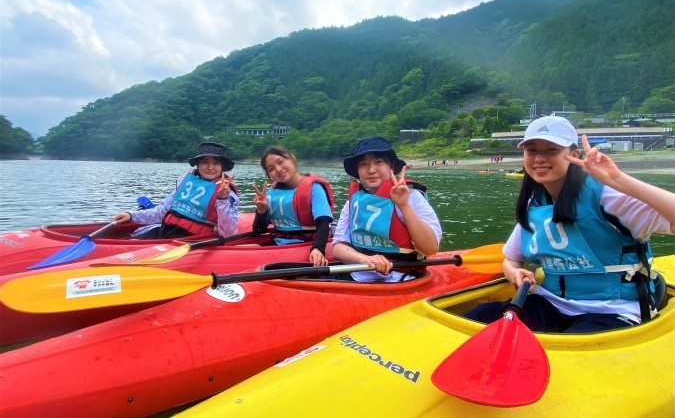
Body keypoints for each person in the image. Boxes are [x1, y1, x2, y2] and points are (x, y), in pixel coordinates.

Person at [465, 116, 675, 333]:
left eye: (551, 150)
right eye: (532, 150)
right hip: (551, 303)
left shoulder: (607, 195)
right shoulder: (535, 203)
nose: (539, 158)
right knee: (479, 316)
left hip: (612, 310)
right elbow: (511, 259)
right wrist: (514, 273)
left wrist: (617, 179)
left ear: (574, 155)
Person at [332, 136, 442, 282]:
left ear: (391, 166)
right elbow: (338, 247)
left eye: (379, 162)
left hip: (401, 279)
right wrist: (366, 259)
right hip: (357, 275)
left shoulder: (411, 197)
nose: (371, 170)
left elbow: (430, 248)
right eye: (364, 164)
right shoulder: (353, 202)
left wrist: (403, 205)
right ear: (358, 171)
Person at [112, 142, 239, 238]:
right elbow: (161, 212)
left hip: (193, 241)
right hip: (166, 232)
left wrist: (222, 199)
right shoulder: (187, 183)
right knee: (130, 239)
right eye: (205, 162)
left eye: (216, 163)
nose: (210, 167)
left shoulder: (227, 193)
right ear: (198, 165)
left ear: (222, 167)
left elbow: (227, 233)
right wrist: (131, 215)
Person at [252, 147, 334, 266]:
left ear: (292, 159)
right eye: (271, 169)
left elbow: (323, 223)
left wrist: (318, 249)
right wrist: (261, 210)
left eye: (280, 162)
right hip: (278, 244)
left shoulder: (314, 188)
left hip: (305, 244)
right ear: (269, 175)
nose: (278, 169)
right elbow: (259, 230)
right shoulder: (271, 194)